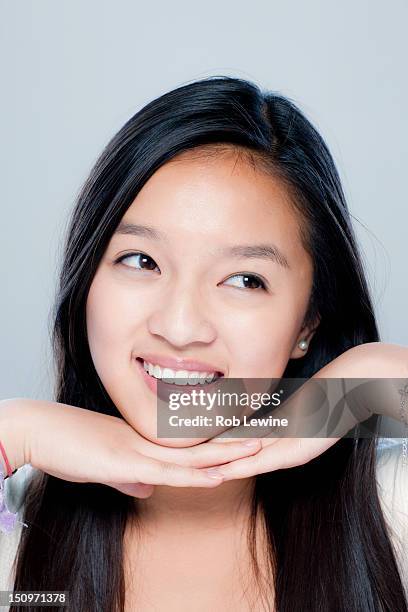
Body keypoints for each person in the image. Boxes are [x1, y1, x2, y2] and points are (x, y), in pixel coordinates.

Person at [0, 75, 407, 611]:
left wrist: (360, 390)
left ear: (307, 323)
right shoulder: (16, 531)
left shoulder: (388, 508)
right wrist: (16, 431)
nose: (181, 326)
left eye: (244, 279)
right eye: (142, 261)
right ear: (87, 281)